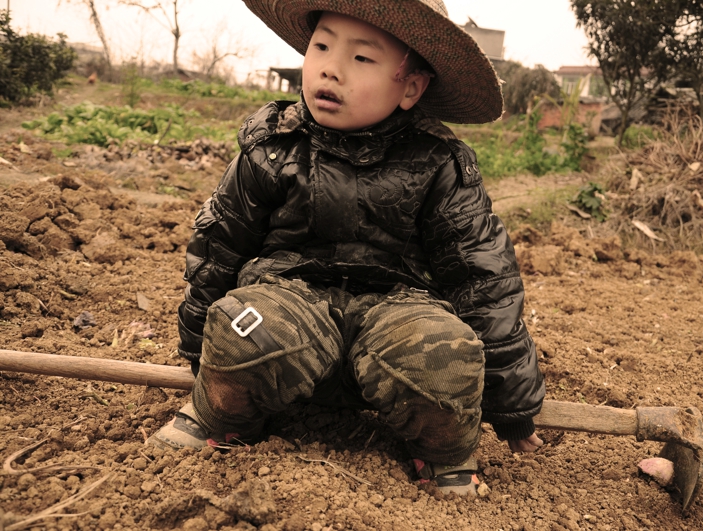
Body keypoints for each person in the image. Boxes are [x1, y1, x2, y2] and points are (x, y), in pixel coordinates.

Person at [150, 0, 546, 496]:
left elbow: (484, 279)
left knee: (445, 357)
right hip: (287, 303)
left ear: (411, 87)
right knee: (242, 329)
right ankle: (224, 420)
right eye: (321, 46)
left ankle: (443, 453)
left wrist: (512, 406)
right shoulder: (273, 145)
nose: (330, 69)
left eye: (361, 58)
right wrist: (199, 358)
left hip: (397, 317)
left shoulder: (439, 163)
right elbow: (219, 248)